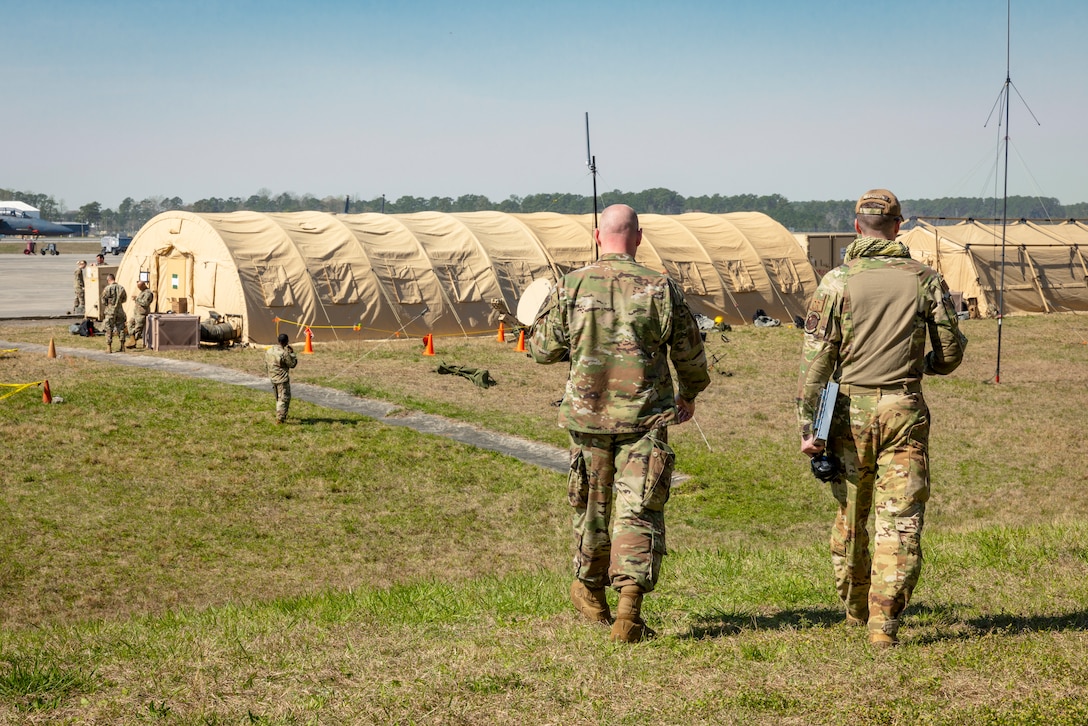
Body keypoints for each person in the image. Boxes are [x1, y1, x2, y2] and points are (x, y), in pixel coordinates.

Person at [529, 204, 710, 643]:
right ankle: (628, 608)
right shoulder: (660, 288)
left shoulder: (570, 286)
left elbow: (542, 350)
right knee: (639, 510)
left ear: (597, 236)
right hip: (644, 419)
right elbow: (690, 354)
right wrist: (688, 394)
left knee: (590, 508)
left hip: (588, 421)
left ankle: (590, 591)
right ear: (639, 237)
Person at [797, 188, 967, 649]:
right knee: (900, 517)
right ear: (898, 228)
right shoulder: (925, 279)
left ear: (856, 227)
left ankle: (853, 608)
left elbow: (815, 367)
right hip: (903, 411)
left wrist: (809, 430)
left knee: (851, 514)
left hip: (846, 412)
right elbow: (950, 353)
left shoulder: (836, 282)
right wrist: (925, 366)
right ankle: (883, 623)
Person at [266, 333, 298, 424]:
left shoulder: (269, 351)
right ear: (286, 342)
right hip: (282, 379)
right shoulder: (284, 353)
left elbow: (266, 363)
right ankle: (280, 418)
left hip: (273, 377)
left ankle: (281, 413)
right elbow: (292, 364)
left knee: (277, 397)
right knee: (283, 398)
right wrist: (292, 353)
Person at [100, 273, 128, 353]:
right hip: (120, 311)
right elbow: (124, 299)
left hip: (110, 311)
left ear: (108, 280)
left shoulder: (107, 288)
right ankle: (122, 346)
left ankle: (109, 347)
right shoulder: (121, 288)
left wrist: (108, 304)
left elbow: (103, 300)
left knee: (109, 328)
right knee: (121, 328)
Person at [127, 281, 154, 349]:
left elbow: (145, 303)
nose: (139, 289)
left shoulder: (148, 293)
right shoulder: (142, 292)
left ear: (143, 285)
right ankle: (132, 338)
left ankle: (134, 342)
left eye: (140, 287)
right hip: (136, 313)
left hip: (142, 313)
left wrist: (137, 299)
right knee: (129, 324)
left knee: (138, 329)